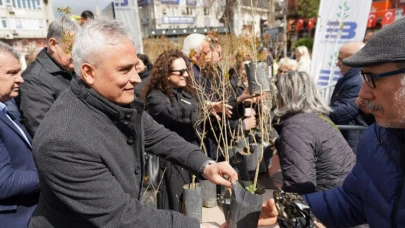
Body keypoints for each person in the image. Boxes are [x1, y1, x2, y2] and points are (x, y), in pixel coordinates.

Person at [29, 19, 237, 228]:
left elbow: (159, 136)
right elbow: (122, 217)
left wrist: (205, 164)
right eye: (125, 69)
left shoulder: (115, 100)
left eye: (136, 67)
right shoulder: (62, 140)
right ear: (89, 72)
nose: (137, 78)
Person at [257, 17, 405, 228]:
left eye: (372, 79)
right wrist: (287, 209)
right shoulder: (376, 138)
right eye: (362, 78)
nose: (362, 94)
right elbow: (351, 200)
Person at [272, 71, 355, 195]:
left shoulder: (295, 127)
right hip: (344, 193)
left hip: (330, 201)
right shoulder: (318, 118)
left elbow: (299, 185)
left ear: (283, 96)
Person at [144, 49, 197, 212]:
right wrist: (206, 110)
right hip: (170, 164)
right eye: (180, 71)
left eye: (186, 70)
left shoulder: (186, 93)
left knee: (187, 205)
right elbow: (178, 114)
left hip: (187, 159)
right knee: (174, 206)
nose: (186, 75)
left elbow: (196, 110)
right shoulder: (156, 98)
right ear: (166, 74)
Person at [17, 18, 80, 137]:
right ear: (53, 44)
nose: (78, 56)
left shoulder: (71, 69)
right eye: (72, 49)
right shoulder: (34, 80)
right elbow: (44, 133)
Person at [0, 41, 39, 228]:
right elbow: (4, 182)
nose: (21, 79)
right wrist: (50, 174)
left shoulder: (4, 112)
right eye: (11, 73)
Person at [330, 42, 369, 151]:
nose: (337, 64)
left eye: (341, 60)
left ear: (356, 59)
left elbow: (340, 113)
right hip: (349, 138)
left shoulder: (358, 81)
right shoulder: (351, 78)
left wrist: (316, 112)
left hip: (353, 141)